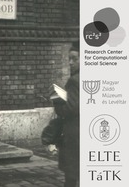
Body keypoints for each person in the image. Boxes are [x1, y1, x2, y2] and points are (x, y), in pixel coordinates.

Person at [51, 41, 79, 187]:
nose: (70, 62)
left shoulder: (75, 81)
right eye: (69, 59)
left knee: (71, 176)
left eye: (75, 59)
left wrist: (57, 100)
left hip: (75, 134)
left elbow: (71, 109)